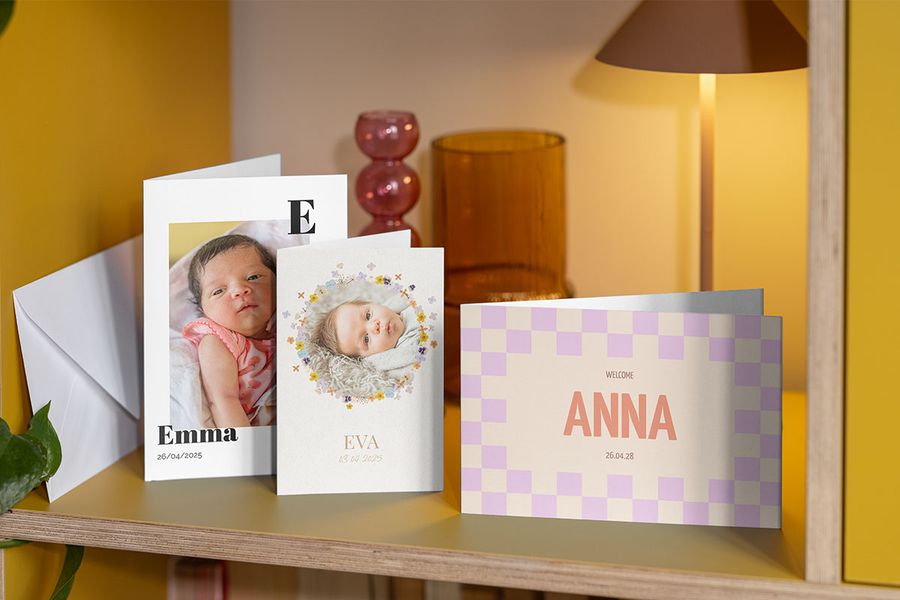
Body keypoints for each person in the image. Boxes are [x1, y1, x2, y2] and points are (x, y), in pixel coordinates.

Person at [182, 234, 276, 428]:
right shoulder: (219, 342)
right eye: (218, 291)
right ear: (203, 310)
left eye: (253, 277)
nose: (239, 290)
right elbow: (223, 400)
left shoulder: (294, 315)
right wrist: (245, 450)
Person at [314, 300, 419, 360]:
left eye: (368, 316)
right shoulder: (407, 350)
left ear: (373, 304)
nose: (374, 326)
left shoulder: (407, 299)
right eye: (366, 339)